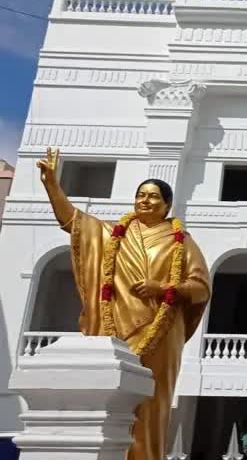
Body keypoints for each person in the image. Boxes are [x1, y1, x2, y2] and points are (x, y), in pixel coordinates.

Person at [36, 148, 211, 460]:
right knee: (107, 403)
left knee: (151, 404)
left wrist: (164, 288)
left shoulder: (181, 242)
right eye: (140, 194)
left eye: (153, 196)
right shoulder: (110, 234)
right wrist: (52, 185)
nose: (145, 200)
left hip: (161, 332)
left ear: (167, 204)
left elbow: (200, 288)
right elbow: (73, 222)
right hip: (113, 330)